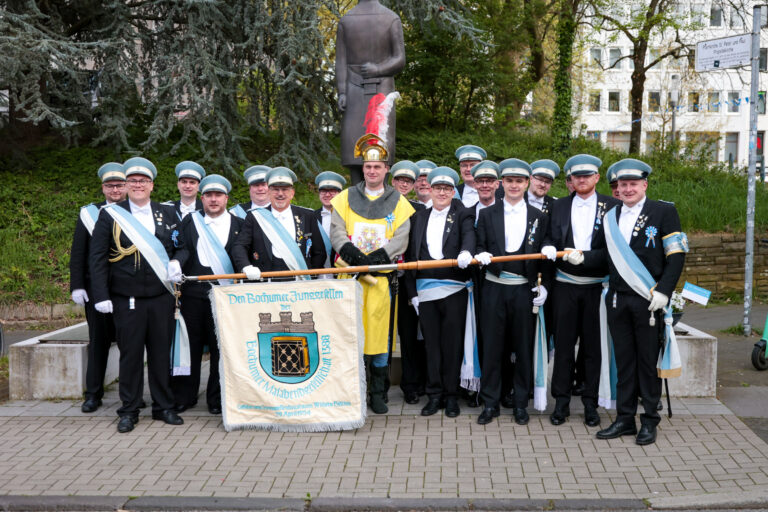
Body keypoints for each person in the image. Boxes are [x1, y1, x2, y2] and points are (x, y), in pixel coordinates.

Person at [574, 158, 686, 446]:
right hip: (617, 299)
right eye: (622, 185)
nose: (627, 189)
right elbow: (603, 256)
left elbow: (676, 255)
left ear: (644, 184)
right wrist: (583, 257)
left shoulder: (664, 211)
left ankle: (649, 420)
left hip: (648, 300)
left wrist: (664, 290)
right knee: (623, 362)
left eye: (633, 184)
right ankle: (625, 418)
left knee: (647, 363)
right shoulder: (610, 214)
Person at [89, 157, 184, 433]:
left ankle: (163, 406)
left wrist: (178, 260)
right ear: (127, 185)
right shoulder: (111, 214)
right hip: (125, 298)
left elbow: (183, 246)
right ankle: (129, 410)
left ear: (152, 185)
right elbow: (97, 258)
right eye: (133, 181)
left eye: (143, 181)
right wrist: (100, 295)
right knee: (130, 356)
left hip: (160, 297)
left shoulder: (167, 214)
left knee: (159, 354)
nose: (138, 185)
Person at [330, 134, 414, 414]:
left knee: (379, 338)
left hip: (380, 280)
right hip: (350, 277)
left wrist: (378, 258)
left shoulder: (399, 202)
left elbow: (401, 238)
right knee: (349, 335)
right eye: (368, 167)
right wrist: (353, 254)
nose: (372, 171)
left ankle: (377, 393)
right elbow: (337, 231)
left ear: (386, 169)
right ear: (362, 168)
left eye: (378, 167)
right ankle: (352, 393)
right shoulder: (344, 198)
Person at [541, 154, 619, 428]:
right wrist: (549, 246)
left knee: (592, 349)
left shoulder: (613, 206)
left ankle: (590, 403)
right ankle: (560, 402)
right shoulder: (558, 206)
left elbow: (615, 250)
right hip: (565, 285)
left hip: (596, 288)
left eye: (588, 175)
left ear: (597, 178)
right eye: (577, 176)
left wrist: (587, 258)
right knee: (563, 347)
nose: (582, 179)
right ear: (571, 180)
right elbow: (549, 236)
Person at [474, 158, 550, 426]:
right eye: (509, 181)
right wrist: (479, 252)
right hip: (494, 288)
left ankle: (520, 403)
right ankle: (490, 403)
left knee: (523, 348)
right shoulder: (486, 214)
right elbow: (479, 244)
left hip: (523, 291)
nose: (514, 185)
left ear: (527, 183)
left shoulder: (540, 217)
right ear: (501, 184)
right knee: (493, 348)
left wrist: (545, 288)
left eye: (519, 181)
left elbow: (547, 249)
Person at [403, 167, 475, 417]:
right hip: (425, 292)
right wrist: (412, 292)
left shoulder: (463, 213)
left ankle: (451, 396)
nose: (442, 192)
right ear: (430, 190)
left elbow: (468, 236)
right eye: (437, 188)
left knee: (452, 345)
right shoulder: (418, 217)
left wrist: (467, 252)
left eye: (446, 188)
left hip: (454, 289)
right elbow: (411, 255)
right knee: (431, 346)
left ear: (453, 191)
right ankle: (434, 395)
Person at [172, 175, 244, 415]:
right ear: (201, 198)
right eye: (209, 195)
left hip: (224, 295)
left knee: (220, 349)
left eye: (218, 195)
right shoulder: (190, 222)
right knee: (189, 347)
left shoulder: (239, 225)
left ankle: (216, 398)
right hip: (193, 294)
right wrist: (176, 263)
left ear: (226, 198)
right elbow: (183, 248)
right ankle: (185, 396)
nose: (213, 200)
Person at [70, 163, 126, 413]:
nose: (115, 189)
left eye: (119, 185)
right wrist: (78, 285)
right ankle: (93, 394)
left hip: (127, 289)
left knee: (130, 345)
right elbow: (79, 252)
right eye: (110, 185)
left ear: (126, 187)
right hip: (97, 291)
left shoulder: (136, 212)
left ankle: (129, 394)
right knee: (98, 343)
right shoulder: (89, 214)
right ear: (103, 187)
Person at [336, 0, 405, 184]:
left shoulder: (391, 18)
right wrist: (342, 91)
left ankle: (381, 194)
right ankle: (357, 192)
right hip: (353, 88)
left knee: (381, 145)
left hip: (381, 90)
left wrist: (378, 69)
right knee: (354, 150)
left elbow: (400, 59)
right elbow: (341, 61)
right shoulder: (347, 21)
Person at [232, 167, 326, 278]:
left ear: (292, 193)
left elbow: (319, 251)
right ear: (269, 192)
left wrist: (311, 274)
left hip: (300, 283)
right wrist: (246, 266)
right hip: (267, 282)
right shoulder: (255, 217)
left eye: (285, 189)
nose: (280, 194)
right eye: (275, 189)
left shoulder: (307, 215)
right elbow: (239, 246)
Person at [390, 160, 427, 404]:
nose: (404, 184)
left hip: (407, 279)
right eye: (400, 180)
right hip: (380, 277)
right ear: (391, 181)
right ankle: (377, 384)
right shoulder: (377, 205)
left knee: (410, 334)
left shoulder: (419, 211)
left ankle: (411, 385)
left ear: (413, 185)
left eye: (409, 181)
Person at [314, 171, 347, 272]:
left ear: (340, 193)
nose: (327, 195)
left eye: (332, 191)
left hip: (342, 269)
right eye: (323, 191)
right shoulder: (311, 216)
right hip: (318, 271)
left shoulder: (349, 216)